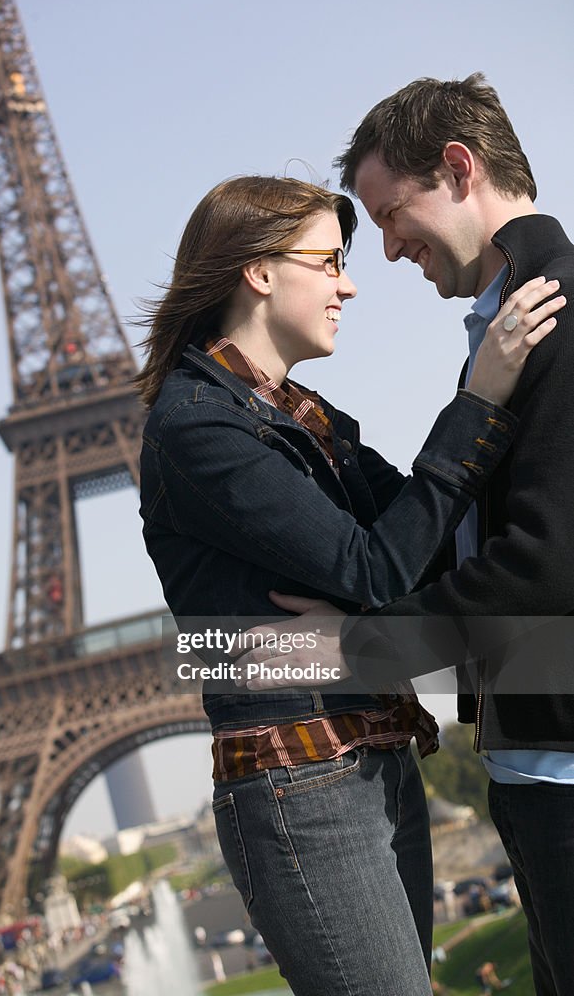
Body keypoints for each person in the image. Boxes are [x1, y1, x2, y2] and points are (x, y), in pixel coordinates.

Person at [137, 174, 558, 996]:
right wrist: (479, 400)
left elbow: (418, 544)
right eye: (328, 261)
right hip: (303, 786)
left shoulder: (300, 415)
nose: (350, 282)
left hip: (370, 758)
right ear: (259, 273)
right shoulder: (195, 425)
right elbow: (376, 566)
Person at [250, 74, 573, 996]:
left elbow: (545, 567)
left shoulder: (557, 316)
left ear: (460, 169)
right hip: (535, 758)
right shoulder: (508, 325)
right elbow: (476, 539)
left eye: (391, 214)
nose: (385, 252)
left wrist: (359, 647)